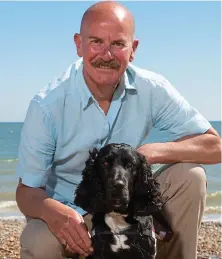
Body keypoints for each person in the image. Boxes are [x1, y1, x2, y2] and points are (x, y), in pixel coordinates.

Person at [16, 1, 221, 259]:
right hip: (74, 213)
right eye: (96, 42)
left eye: (117, 44)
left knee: (191, 176)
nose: (106, 54)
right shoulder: (46, 106)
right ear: (78, 44)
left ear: (133, 49)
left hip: (133, 205)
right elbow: (25, 193)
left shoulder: (152, 88)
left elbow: (215, 147)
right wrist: (54, 213)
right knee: (38, 240)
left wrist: (152, 152)